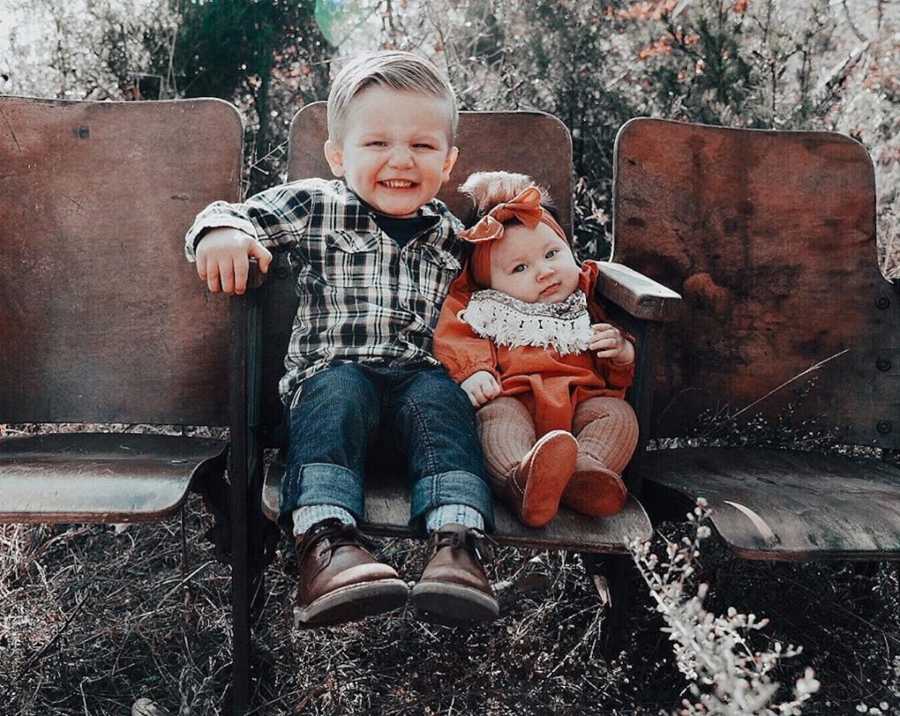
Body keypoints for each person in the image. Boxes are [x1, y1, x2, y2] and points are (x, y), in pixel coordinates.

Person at [184, 51, 498, 627]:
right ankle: (326, 547)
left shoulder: (455, 236)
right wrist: (222, 233)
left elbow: (514, 285)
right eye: (376, 143)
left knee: (442, 399)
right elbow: (232, 213)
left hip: (413, 387)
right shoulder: (316, 204)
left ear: (449, 162)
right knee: (341, 389)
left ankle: (458, 546)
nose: (400, 160)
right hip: (331, 379)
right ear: (338, 155)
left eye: (423, 147)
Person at [434, 171, 639, 528]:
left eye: (552, 254)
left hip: (582, 404)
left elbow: (613, 366)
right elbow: (455, 335)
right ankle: (522, 478)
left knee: (618, 416)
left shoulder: (586, 299)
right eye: (520, 268)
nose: (544, 272)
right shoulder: (483, 307)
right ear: (489, 283)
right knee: (496, 422)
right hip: (515, 397)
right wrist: (475, 371)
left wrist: (621, 352)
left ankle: (583, 473)